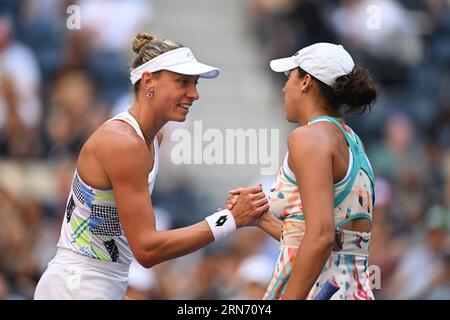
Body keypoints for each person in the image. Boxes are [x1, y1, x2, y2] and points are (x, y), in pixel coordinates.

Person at [34, 32, 269, 300]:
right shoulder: (124, 143)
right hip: (77, 287)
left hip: (94, 284)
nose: (194, 94)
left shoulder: (149, 139)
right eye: (182, 82)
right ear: (148, 81)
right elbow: (146, 250)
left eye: (195, 83)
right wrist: (229, 220)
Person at [229, 43, 377, 299]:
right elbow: (334, 239)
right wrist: (262, 219)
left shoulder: (307, 138)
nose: (285, 88)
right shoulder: (352, 141)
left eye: (289, 77)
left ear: (306, 81)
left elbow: (321, 236)